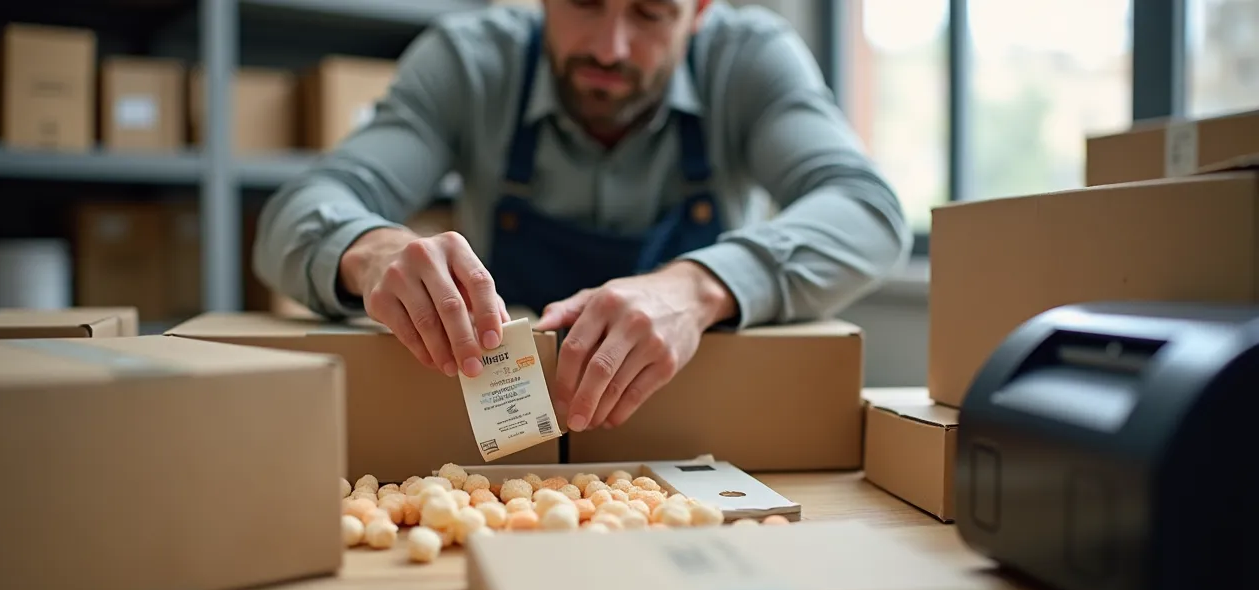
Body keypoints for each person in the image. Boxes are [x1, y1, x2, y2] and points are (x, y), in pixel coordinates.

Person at [253, 0, 911, 434]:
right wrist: (370, 253)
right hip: (499, 439)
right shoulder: (470, 62)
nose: (610, 48)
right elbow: (299, 209)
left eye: (652, 12)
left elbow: (869, 209)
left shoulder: (750, 60)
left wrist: (697, 287)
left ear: (702, 11)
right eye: (585, 2)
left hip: (698, 435)